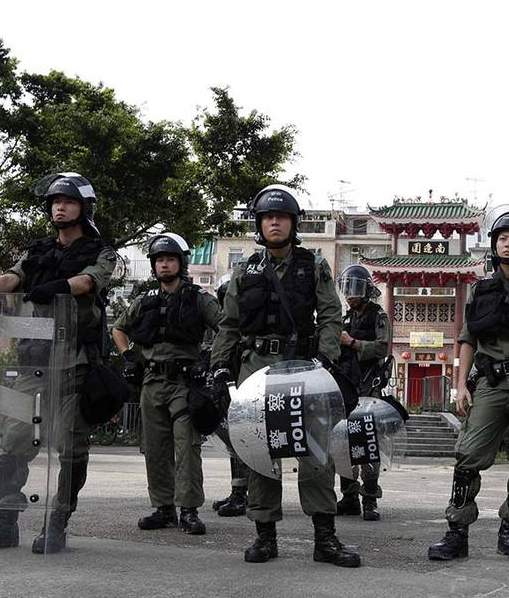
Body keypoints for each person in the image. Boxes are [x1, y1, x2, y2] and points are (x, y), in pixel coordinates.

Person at [0, 172, 118, 554]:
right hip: (34, 359)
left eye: (68, 201)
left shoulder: (101, 250)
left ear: (83, 207)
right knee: (14, 438)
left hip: (76, 361)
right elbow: (15, 277)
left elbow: (90, 282)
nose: (59, 207)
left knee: (71, 446)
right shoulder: (39, 250)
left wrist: (61, 286)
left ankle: (58, 521)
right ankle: (3, 522)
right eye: (54, 202)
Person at [208, 184, 360, 567]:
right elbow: (228, 324)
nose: (274, 222)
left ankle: (325, 538)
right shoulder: (244, 270)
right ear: (260, 225)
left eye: (282, 217)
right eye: (268, 217)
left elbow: (330, 316)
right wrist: (220, 365)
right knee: (259, 450)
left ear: (294, 224)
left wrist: (325, 361)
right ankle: (264, 536)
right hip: (256, 368)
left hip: (303, 368)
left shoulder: (314, 266)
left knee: (315, 449)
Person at [427, 204, 509, 562]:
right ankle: (456, 533)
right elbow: (467, 339)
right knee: (467, 457)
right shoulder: (481, 290)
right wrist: (461, 385)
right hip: (489, 384)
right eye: (502, 238)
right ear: (493, 244)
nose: (507, 244)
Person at [112, 233, 222, 534]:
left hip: (184, 383)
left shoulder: (199, 298)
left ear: (181, 263)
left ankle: (188, 510)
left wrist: (211, 359)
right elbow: (118, 329)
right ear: (153, 265)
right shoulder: (144, 301)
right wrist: (128, 355)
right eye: (159, 260)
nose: (164, 264)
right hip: (150, 381)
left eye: (170, 259)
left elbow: (225, 327)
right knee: (155, 448)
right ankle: (163, 509)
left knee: (186, 446)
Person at [334, 264, 392, 521]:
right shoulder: (344, 319)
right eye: (347, 289)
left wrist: (352, 343)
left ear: (367, 291)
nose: (350, 294)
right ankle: (349, 497)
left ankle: (370, 498)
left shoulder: (378, 316)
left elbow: (382, 348)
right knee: (343, 444)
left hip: (369, 388)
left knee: (368, 445)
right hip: (346, 388)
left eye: (355, 289)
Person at [209, 273, 249, 517]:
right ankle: (238, 492)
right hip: (231, 386)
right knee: (234, 442)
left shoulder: (248, 327)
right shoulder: (228, 328)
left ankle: (245, 495)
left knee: (246, 442)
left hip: (248, 388)